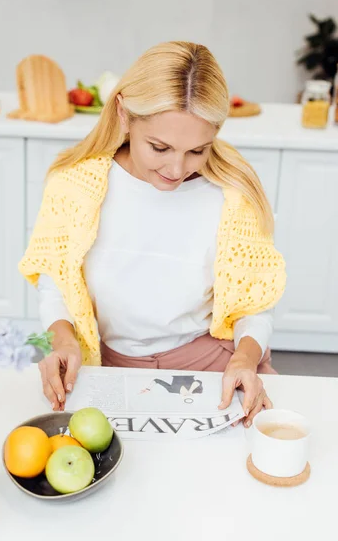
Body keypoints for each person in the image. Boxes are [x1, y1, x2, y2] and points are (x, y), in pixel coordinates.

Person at [19, 41, 286, 428]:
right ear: (125, 115)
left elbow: (254, 306)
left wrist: (246, 358)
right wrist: (62, 340)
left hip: (214, 365)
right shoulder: (74, 186)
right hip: (104, 368)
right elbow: (54, 285)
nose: (176, 169)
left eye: (198, 150)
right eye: (160, 147)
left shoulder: (233, 196)